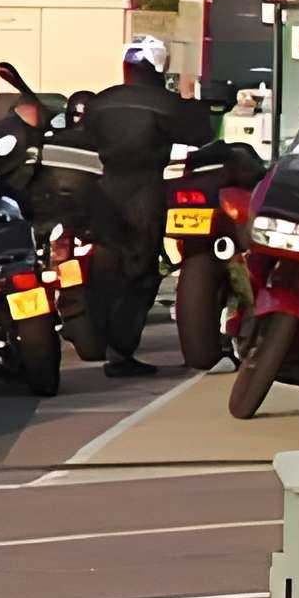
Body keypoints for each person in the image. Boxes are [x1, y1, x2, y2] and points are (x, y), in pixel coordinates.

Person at [77, 35, 217, 379]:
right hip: (145, 191)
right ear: (158, 66)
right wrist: (190, 101)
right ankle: (121, 350)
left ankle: (95, 339)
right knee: (139, 273)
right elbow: (202, 134)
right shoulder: (166, 104)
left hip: (101, 190)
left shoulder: (101, 101)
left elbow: (82, 139)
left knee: (102, 268)